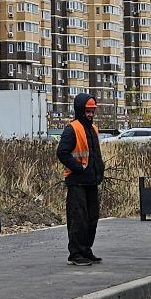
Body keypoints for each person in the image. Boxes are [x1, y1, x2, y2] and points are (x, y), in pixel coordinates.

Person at [55, 93, 104, 265]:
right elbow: (62, 153)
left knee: (92, 217)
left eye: (92, 111)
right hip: (77, 182)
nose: (90, 114)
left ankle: (85, 250)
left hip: (91, 181)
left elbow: (95, 154)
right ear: (80, 110)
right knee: (79, 218)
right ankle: (75, 254)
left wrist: (99, 171)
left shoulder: (93, 129)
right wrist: (78, 168)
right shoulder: (72, 129)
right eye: (87, 111)